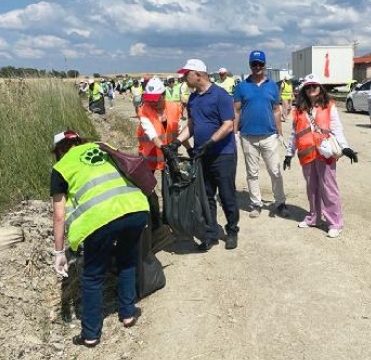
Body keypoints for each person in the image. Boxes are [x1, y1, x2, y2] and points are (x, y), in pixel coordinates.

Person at [50, 130, 149, 347]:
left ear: (58, 151)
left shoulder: (60, 168)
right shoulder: (102, 146)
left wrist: (58, 252)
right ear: (79, 141)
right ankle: (128, 313)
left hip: (101, 219)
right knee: (127, 260)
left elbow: (59, 215)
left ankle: (91, 334)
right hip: (136, 208)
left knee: (92, 277)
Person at [163, 58, 240, 251]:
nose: (183, 78)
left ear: (197, 75)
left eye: (186, 74)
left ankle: (232, 230)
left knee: (227, 195)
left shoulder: (220, 95)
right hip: (202, 156)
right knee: (206, 196)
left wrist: (210, 142)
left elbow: (228, 125)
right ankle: (211, 232)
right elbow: (191, 125)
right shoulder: (194, 99)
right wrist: (177, 142)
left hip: (223, 154)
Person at [283, 74, 358, 238]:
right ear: (304, 89)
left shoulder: (329, 106)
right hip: (306, 155)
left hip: (325, 154)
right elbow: (294, 134)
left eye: (314, 86)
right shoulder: (298, 109)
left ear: (320, 88)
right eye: (308, 87)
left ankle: (335, 223)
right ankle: (314, 218)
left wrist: (345, 148)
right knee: (312, 189)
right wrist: (289, 153)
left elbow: (337, 129)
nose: (311, 89)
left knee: (329, 189)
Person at [234, 50, 290, 218]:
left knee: (275, 171)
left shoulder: (272, 86)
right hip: (247, 136)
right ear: (250, 65)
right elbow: (236, 110)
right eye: (254, 64)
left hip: (269, 136)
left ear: (265, 65)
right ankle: (256, 203)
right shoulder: (242, 86)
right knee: (252, 173)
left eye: (260, 64)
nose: (257, 67)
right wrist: (235, 132)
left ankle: (280, 202)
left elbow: (276, 110)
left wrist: (280, 132)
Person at [136, 77, 181, 232]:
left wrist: (187, 148)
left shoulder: (175, 107)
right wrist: (164, 148)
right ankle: (153, 220)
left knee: (169, 186)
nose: (153, 103)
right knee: (147, 187)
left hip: (168, 154)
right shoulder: (144, 109)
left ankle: (168, 218)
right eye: (150, 100)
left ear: (163, 95)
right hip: (149, 154)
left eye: (156, 99)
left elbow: (178, 131)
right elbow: (150, 132)